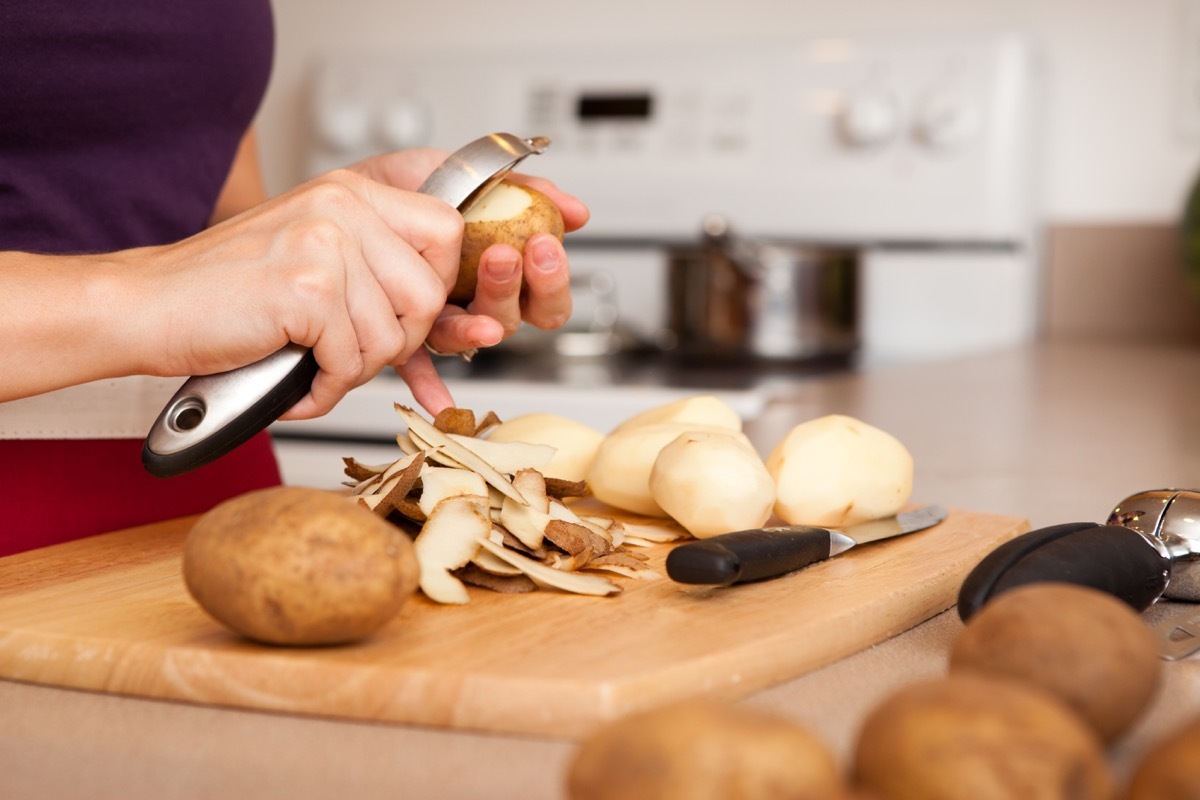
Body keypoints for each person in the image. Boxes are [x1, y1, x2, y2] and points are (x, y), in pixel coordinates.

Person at [0, 0, 588, 557]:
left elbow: (203, 192)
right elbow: (176, 278)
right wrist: (148, 293)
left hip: (217, 484)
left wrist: (341, 254)